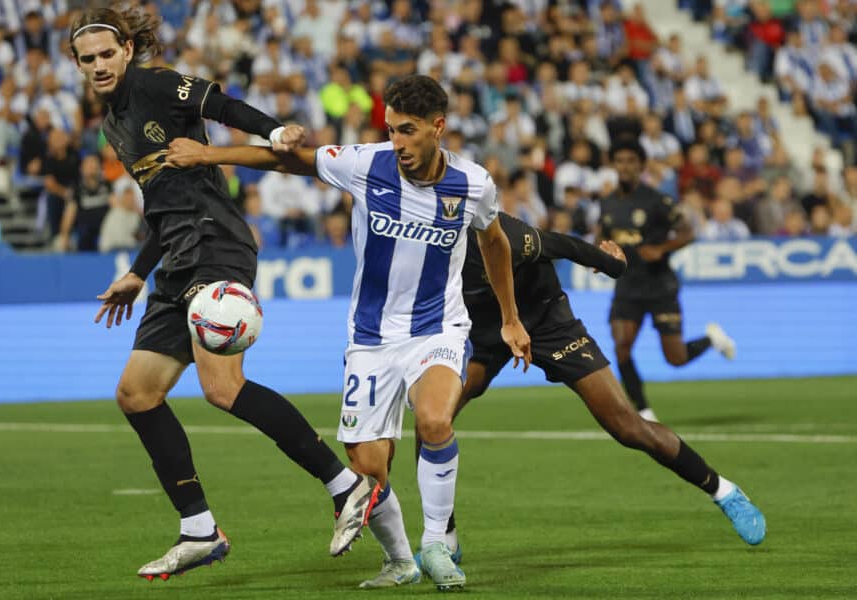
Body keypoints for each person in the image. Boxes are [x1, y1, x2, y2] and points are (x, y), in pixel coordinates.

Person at [166, 74, 532, 591]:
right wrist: (208, 156)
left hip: (438, 329)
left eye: (408, 131)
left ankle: (435, 545)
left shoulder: (473, 184)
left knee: (433, 420)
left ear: (438, 127)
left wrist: (510, 317)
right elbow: (286, 160)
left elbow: (494, 243)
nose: (398, 143)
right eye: (391, 130)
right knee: (368, 466)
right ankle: (401, 560)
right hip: (370, 337)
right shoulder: (366, 162)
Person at [69, 6, 376, 582]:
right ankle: (199, 530)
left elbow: (219, 103)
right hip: (175, 261)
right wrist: (138, 271)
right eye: (88, 60)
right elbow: (162, 206)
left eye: (107, 54)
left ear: (128, 52)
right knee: (136, 393)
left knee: (222, 388)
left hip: (216, 244)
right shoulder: (113, 124)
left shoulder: (156, 85)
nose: (99, 66)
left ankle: (347, 486)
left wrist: (274, 130)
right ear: (79, 66)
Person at [420, 211, 766, 566]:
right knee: (431, 419)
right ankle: (444, 539)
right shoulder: (421, 249)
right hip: (484, 333)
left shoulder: (499, 234)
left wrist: (612, 265)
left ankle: (723, 491)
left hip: (548, 323)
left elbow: (562, 244)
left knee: (627, 426)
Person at [598, 138, 736, 423]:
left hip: (659, 285)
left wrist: (660, 249)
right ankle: (643, 411)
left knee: (675, 358)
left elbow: (687, 233)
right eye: (620, 161)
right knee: (621, 345)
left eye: (630, 162)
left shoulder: (657, 200)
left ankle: (711, 339)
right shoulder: (608, 203)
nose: (624, 167)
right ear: (614, 165)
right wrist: (599, 258)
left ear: (640, 166)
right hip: (627, 285)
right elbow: (604, 236)